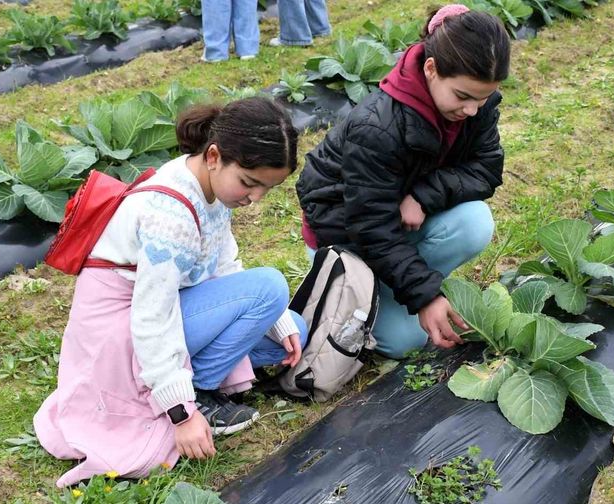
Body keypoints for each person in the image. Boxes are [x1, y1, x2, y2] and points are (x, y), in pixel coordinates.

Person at [34, 97, 307, 487]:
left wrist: (276, 322)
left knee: (291, 329)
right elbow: (152, 317)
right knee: (270, 288)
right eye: (249, 183)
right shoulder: (170, 216)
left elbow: (224, 262)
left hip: (162, 315)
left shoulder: (205, 182)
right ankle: (197, 393)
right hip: (122, 335)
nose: (255, 199)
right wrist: (181, 412)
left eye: (266, 188)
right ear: (214, 156)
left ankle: (194, 379)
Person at [296, 5, 510, 359]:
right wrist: (425, 297)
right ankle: (380, 290)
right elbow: (370, 226)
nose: (472, 109)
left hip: (395, 224)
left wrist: (423, 196)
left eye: (483, 98)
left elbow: (486, 168)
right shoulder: (377, 127)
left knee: (475, 222)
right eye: (462, 97)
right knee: (403, 343)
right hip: (345, 238)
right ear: (430, 69)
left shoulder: (477, 107)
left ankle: (403, 287)